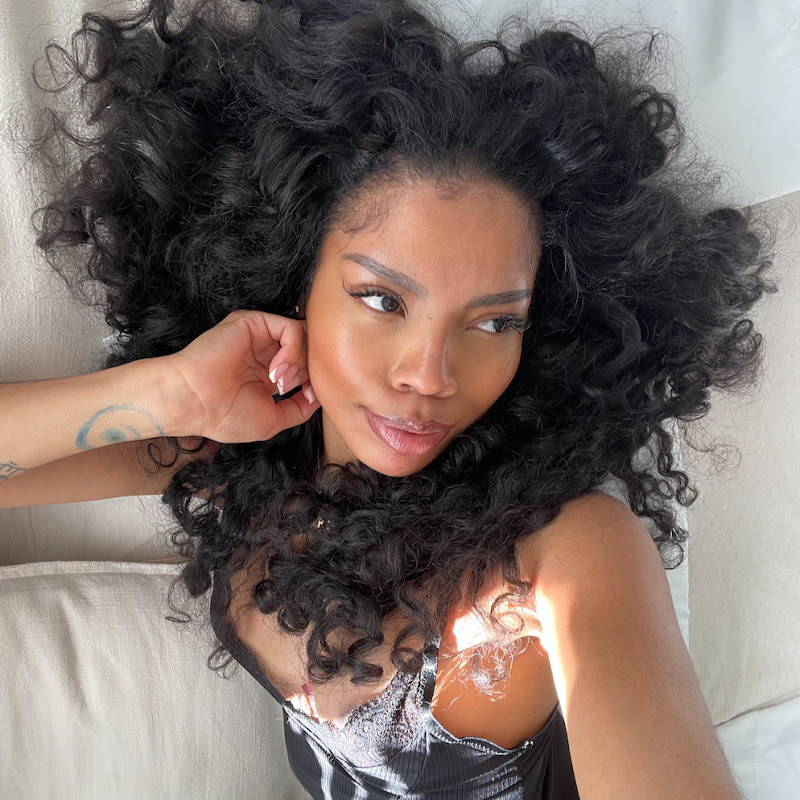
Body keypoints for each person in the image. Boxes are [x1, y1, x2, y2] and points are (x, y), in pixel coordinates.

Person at [1, 0, 780, 796]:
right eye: (382, 299)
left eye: (495, 321)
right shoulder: (238, 454)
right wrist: (168, 392)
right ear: (293, 275)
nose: (431, 375)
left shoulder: (559, 557)